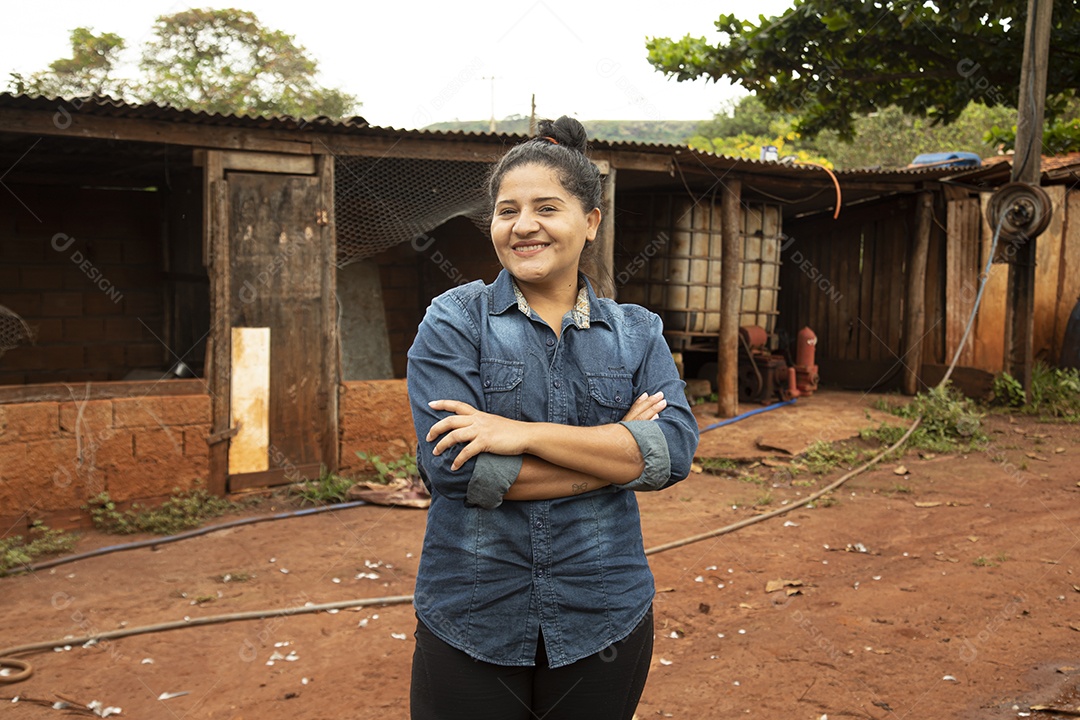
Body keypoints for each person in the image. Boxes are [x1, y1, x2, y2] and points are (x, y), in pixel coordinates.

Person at [406, 116, 700, 720]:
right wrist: (619, 454)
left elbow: (673, 451)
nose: (524, 226)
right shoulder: (454, 320)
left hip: (604, 610)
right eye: (507, 210)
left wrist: (523, 435)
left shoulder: (637, 331)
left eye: (546, 207)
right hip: (472, 610)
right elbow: (457, 473)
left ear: (590, 222)